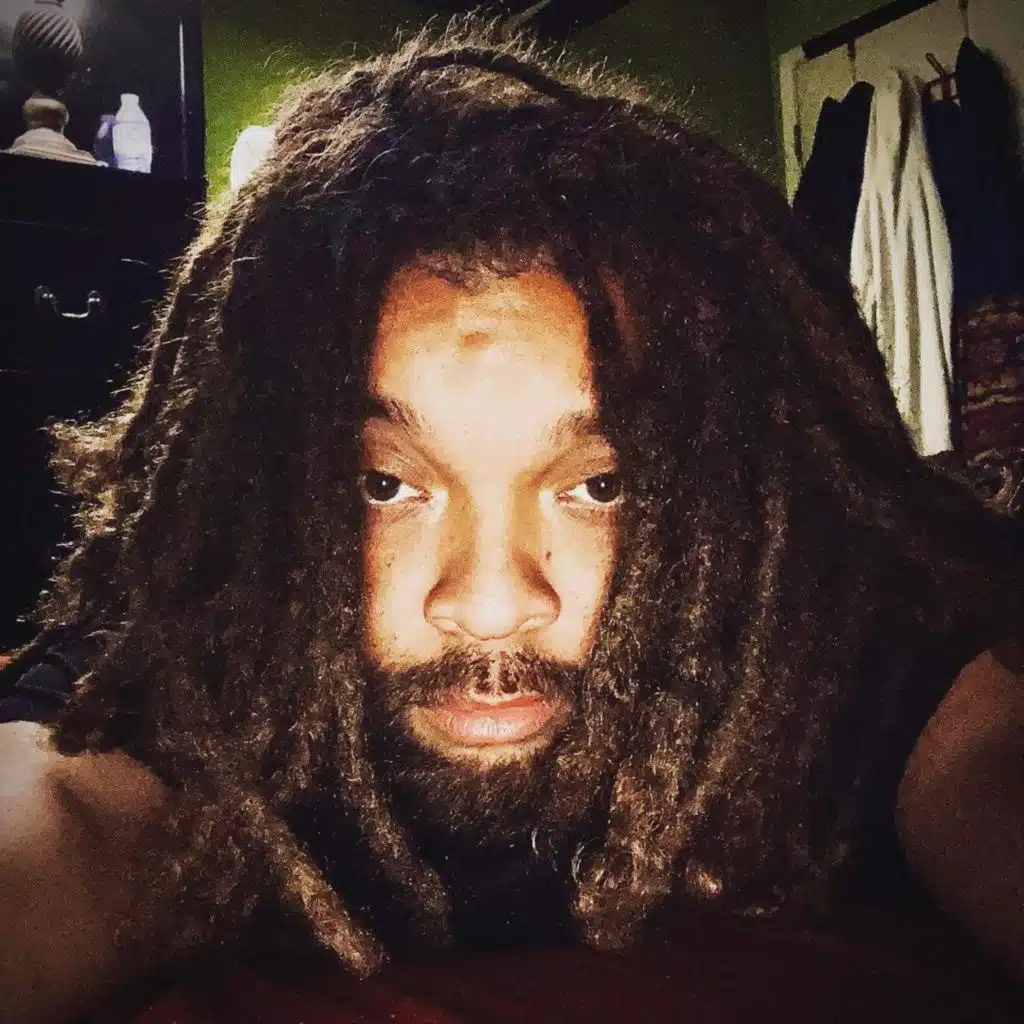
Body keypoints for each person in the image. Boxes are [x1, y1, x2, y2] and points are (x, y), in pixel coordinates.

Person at [1, 18, 1022, 1024]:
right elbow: (61, 812)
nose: (490, 604)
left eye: (600, 486)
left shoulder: (837, 661)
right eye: (383, 486)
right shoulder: (194, 671)